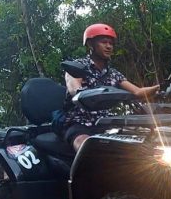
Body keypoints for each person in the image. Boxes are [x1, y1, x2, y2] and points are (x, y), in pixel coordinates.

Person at [61, 23, 160, 151]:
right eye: (104, 42)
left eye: (111, 43)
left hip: (104, 123)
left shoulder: (113, 73)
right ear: (91, 44)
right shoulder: (78, 66)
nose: (109, 47)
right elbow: (74, 87)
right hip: (78, 123)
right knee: (86, 145)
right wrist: (81, 93)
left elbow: (137, 92)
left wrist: (158, 88)